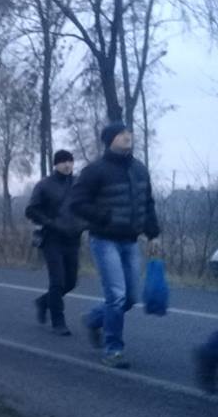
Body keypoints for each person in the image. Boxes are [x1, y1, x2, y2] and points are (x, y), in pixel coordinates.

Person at [70, 121, 160, 369]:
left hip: (131, 241)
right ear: (109, 140)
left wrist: (153, 234)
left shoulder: (140, 169)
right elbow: (76, 203)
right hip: (104, 240)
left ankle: (92, 319)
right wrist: (101, 217)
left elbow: (148, 203)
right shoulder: (95, 171)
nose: (127, 136)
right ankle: (113, 350)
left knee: (130, 298)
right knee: (117, 296)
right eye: (121, 133)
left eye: (128, 132)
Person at [25, 150, 85, 336]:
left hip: (73, 238)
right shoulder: (44, 185)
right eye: (63, 162)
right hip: (52, 239)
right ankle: (58, 321)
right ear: (56, 164)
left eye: (70, 161)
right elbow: (31, 210)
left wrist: (85, 223)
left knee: (71, 282)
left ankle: (43, 302)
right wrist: (51, 223)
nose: (67, 165)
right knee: (57, 281)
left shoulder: (79, 184)